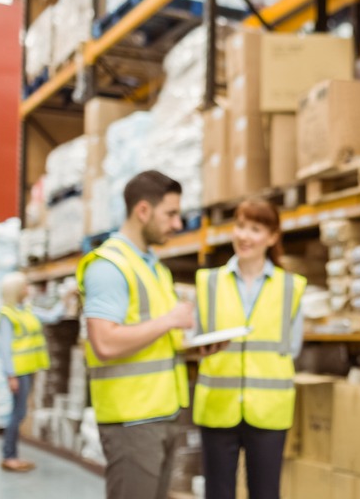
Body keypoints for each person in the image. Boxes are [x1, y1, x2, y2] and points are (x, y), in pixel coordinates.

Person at [76, 170, 223, 499]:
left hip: (162, 414)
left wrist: (194, 351)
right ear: (143, 211)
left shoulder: (154, 267)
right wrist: (170, 320)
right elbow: (104, 342)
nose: (177, 224)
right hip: (132, 420)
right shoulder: (109, 266)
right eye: (170, 214)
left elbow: (153, 340)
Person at [192, 198, 307, 499]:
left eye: (255, 229)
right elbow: (195, 338)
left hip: (268, 411)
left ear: (272, 237)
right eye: (240, 226)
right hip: (218, 406)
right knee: (217, 493)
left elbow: (292, 347)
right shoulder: (208, 282)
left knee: (266, 493)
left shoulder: (290, 287)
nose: (244, 236)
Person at [0, 271, 65, 472]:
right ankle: (9, 456)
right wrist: (11, 375)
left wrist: (66, 298)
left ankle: (12, 454)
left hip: (29, 368)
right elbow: (5, 347)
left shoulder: (26, 310)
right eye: (26, 286)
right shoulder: (7, 315)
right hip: (18, 372)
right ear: (16, 290)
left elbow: (52, 316)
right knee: (17, 413)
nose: (29, 289)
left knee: (19, 412)